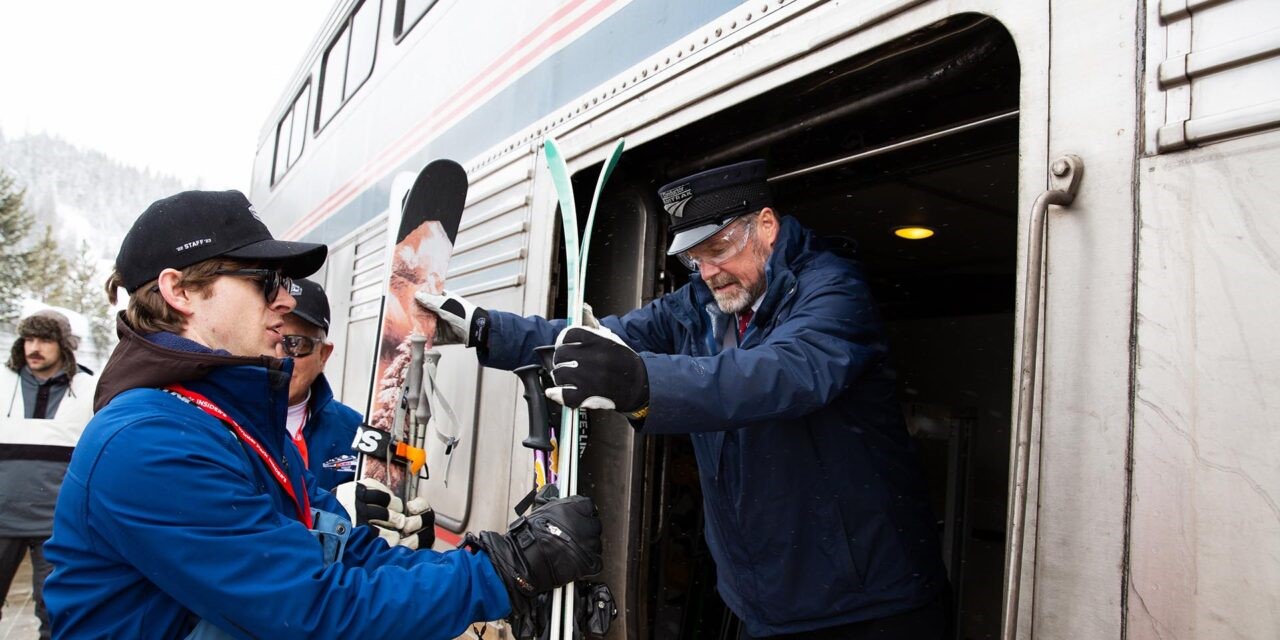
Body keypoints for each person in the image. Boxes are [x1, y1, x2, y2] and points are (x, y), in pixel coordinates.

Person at [418, 160, 949, 638]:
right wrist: (487, 332)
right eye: (695, 259)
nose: (708, 272)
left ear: (766, 226)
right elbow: (598, 341)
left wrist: (642, 383)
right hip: (762, 600)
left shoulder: (833, 292)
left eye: (717, 251)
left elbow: (783, 373)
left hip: (868, 605)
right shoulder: (703, 302)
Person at [43, 189, 603, 639]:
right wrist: (500, 574)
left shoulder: (226, 419)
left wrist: (495, 559)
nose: (285, 300)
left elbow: (343, 553)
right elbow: (306, 611)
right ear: (181, 292)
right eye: (265, 283)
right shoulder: (149, 442)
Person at [280, 277, 433, 549]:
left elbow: (374, 538)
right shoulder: (223, 426)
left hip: (339, 587)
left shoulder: (356, 430)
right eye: (275, 338)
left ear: (323, 355)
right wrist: (332, 514)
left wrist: (407, 537)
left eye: (297, 344)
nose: (282, 356)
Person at [0, 310, 96, 640]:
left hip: (55, 526)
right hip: (1, 520)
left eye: (45, 339)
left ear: (64, 345)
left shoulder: (89, 388)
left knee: (56, 613)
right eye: (28, 339)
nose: (34, 347)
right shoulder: (1, 381)